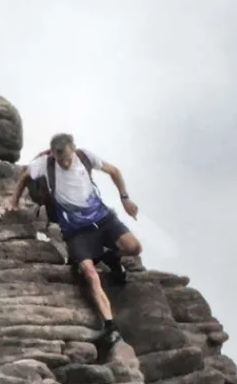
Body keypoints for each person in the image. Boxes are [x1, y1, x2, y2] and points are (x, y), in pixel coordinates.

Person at [10, 133, 142, 357]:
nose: (64, 163)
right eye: (59, 159)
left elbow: (114, 171)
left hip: (103, 219)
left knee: (134, 248)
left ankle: (112, 256)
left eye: (67, 158)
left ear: (73, 148)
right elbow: (24, 176)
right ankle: (110, 326)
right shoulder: (45, 164)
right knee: (89, 273)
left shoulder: (85, 156)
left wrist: (125, 198)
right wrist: (13, 200)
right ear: (53, 154)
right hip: (75, 230)